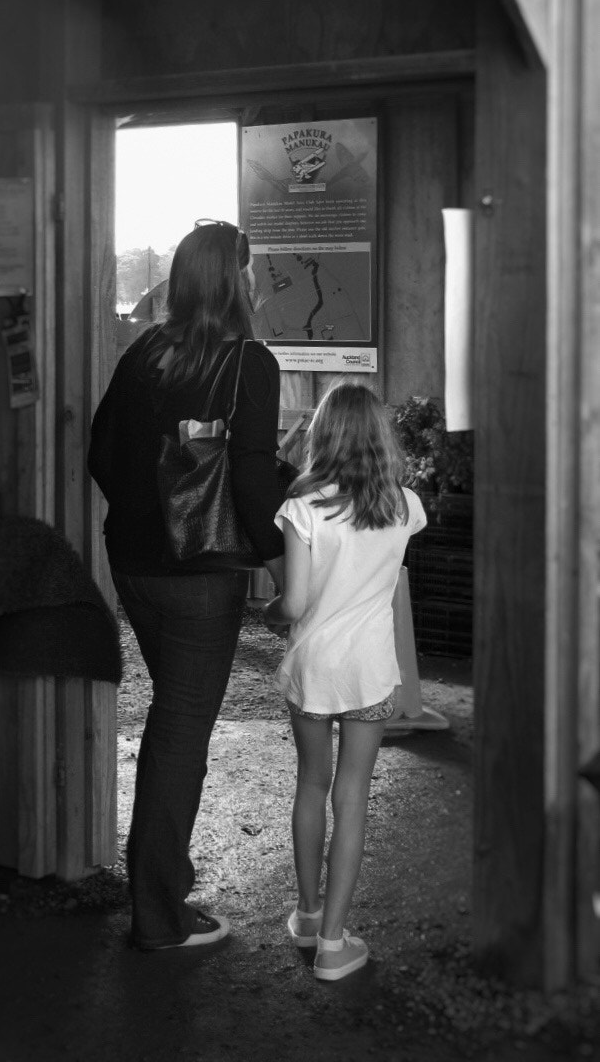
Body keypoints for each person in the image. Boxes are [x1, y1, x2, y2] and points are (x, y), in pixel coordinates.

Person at [88, 219, 285, 952]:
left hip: (134, 563)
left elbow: (103, 453)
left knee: (172, 722)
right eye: (251, 267)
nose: (257, 279)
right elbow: (254, 481)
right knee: (178, 734)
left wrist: (146, 515)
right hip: (203, 574)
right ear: (232, 278)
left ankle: (164, 874)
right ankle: (160, 916)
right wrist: (278, 560)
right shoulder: (250, 362)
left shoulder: (146, 349)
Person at [263, 381, 427, 980]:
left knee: (312, 783)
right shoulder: (405, 505)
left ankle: (306, 916)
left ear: (321, 436)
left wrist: (270, 609)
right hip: (370, 673)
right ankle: (334, 944)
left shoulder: (302, 509)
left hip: (313, 669)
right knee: (351, 797)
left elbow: (297, 600)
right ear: (381, 436)